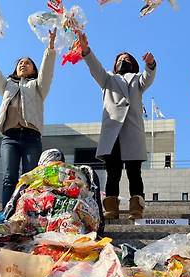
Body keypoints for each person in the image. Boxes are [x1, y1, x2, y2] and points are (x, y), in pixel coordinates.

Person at [0, 24, 56, 209]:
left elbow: (47, 73)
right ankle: (7, 213)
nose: (23, 64)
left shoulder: (38, 86)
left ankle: (28, 213)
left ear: (34, 70)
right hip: (9, 138)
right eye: (20, 63)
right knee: (9, 178)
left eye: (27, 63)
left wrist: (50, 48)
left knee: (30, 177)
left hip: (32, 137)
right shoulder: (7, 85)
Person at [77, 32, 156, 220]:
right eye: (120, 58)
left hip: (132, 130)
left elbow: (148, 77)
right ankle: (111, 207)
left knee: (134, 172)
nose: (123, 60)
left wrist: (151, 65)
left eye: (127, 58)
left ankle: (136, 207)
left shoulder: (138, 79)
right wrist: (86, 50)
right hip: (113, 131)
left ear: (134, 63)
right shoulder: (108, 79)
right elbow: (95, 67)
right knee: (113, 173)